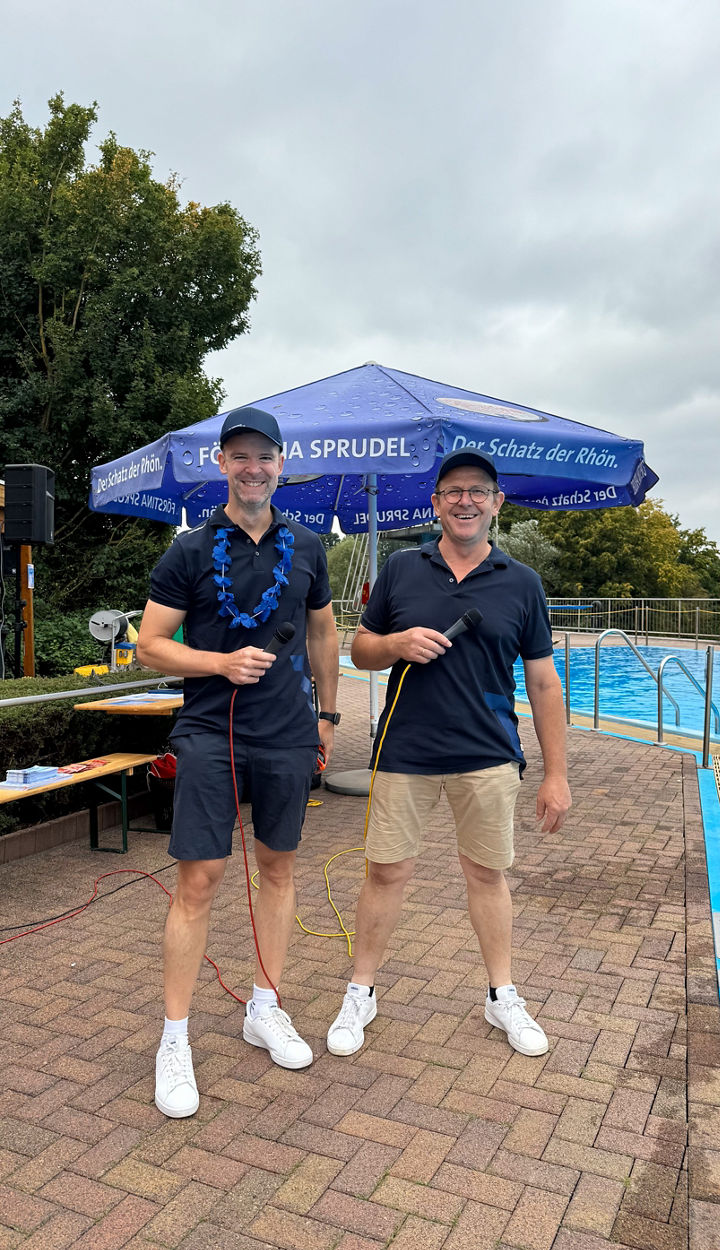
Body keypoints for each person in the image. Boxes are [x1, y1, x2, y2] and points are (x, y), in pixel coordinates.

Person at [327, 447, 571, 1060]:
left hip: (487, 754)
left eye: (478, 490)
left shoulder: (522, 582)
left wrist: (556, 774)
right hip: (403, 751)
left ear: (496, 502)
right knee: (385, 873)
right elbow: (359, 651)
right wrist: (397, 643)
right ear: (436, 503)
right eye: (453, 491)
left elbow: (543, 682)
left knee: (486, 875)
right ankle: (362, 990)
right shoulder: (402, 570)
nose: (466, 500)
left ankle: (501, 994)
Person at [137, 406, 339, 1118]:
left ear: (280, 464)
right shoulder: (190, 551)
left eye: (265, 457)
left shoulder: (308, 546)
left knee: (278, 868)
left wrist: (328, 715)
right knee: (202, 877)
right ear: (222, 464)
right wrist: (218, 660)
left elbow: (323, 631)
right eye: (240, 456)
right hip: (208, 730)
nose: (253, 468)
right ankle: (174, 1037)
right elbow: (150, 645)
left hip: (287, 733)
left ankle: (264, 1005)